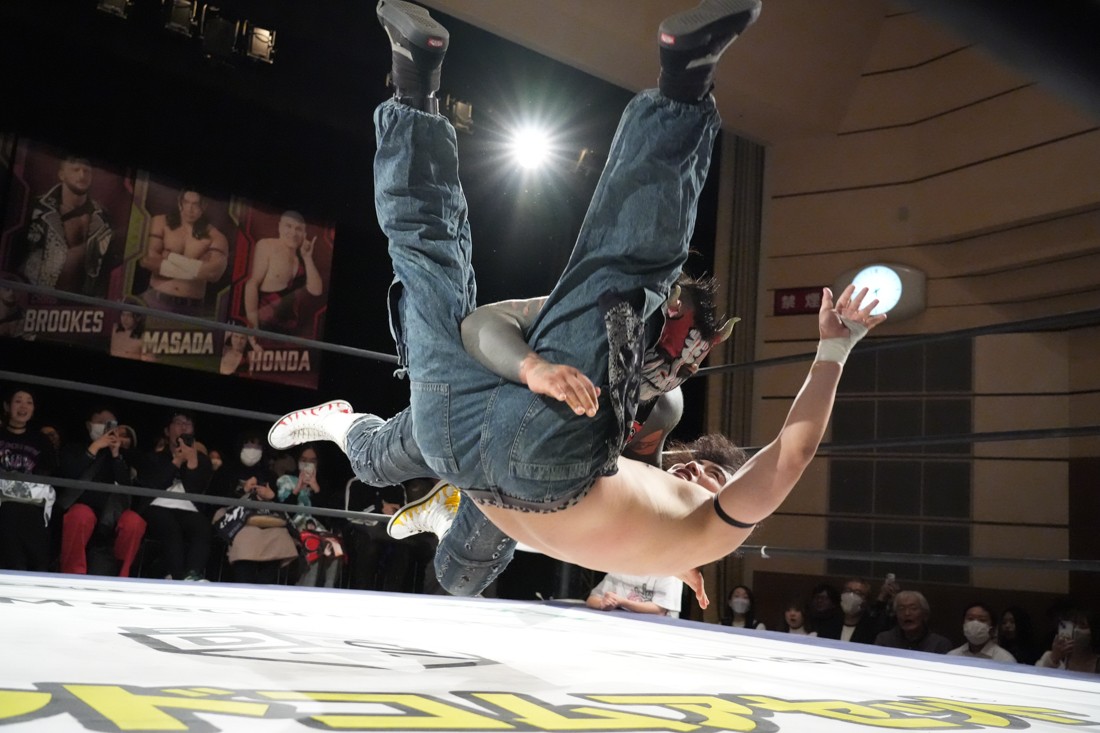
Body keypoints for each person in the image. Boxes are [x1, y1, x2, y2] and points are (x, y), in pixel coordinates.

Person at [268, 0, 885, 608]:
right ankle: (674, 79)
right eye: (703, 468)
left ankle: (414, 90)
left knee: (431, 259)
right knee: (609, 282)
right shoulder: (678, 506)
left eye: (714, 479)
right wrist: (831, 351)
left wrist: (834, 349)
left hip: (480, 444)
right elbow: (781, 454)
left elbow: (790, 457)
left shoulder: (709, 529)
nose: (699, 475)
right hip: (523, 436)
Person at [57, 406, 146, 577]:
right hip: (83, 510)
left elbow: (127, 485)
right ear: (89, 425)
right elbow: (70, 472)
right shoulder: (75, 447)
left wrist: (116, 454)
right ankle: (73, 575)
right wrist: (96, 446)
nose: (105, 426)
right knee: (80, 514)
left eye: (110, 423)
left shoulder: (123, 454)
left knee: (134, 522)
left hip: (112, 516)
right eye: (100, 422)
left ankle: (122, 578)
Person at [14, 156, 114, 296]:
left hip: (84, 301)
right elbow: (14, 252)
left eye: (87, 171)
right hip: (36, 296)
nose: (82, 175)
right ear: (61, 174)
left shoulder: (103, 216)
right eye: (75, 170)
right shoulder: (36, 208)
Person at [211, 430, 298, 584]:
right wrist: (242, 491)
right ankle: (244, 584)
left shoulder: (269, 475)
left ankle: (263, 585)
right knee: (245, 538)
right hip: (235, 518)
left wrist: (271, 497)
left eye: (257, 446)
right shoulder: (226, 470)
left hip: (264, 518)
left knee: (280, 535)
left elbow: (279, 506)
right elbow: (215, 499)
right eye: (249, 445)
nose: (253, 450)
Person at [136, 410, 214, 581]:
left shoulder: (202, 460)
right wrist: (177, 461)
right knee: (170, 527)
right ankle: (176, 577)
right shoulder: (153, 457)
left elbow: (197, 491)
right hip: (157, 505)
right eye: (178, 423)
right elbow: (154, 485)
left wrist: (192, 462)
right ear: (167, 430)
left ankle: (192, 575)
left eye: (188, 424)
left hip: (188, 507)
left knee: (202, 527)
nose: (183, 428)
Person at [138, 189, 229, 316]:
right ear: (180, 203)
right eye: (186, 202)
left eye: (195, 204)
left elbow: (213, 273)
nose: (190, 209)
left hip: (192, 308)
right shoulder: (160, 222)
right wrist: (196, 267)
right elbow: (148, 260)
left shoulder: (216, 236)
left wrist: (170, 257)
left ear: (204, 206)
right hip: (156, 300)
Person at [0, 386, 57, 570]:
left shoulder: (40, 440)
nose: (23, 406)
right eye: (18, 401)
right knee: (9, 513)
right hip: (3, 501)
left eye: (29, 402)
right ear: (7, 406)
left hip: (30, 501)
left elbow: (48, 471)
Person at [243, 210, 323, 336]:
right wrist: (253, 329)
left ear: (304, 233)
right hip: (264, 327)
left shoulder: (302, 258)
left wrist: (307, 257)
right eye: (288, 226)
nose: (293, 233)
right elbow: (252, 284)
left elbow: (316, 291)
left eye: (298, 229)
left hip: (290, 331)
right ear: (280, 227)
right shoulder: (267, 245)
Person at [873, 591, 952, 654]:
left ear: (924, 613)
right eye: (901, 609)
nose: (907, 613)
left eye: (913, 608)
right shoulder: (884, 640)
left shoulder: (939, 644)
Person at [586, 572, 683, 618]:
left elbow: (659, 610)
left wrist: (622, 602)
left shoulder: (669, 572)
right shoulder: (620, 567)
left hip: (660, 628)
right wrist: (602, 603)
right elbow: (592, 599)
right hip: (622, 625)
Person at [1035, 607, 1100, 674]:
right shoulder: (1053, 657)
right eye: (1072, 625)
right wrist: (1053, 659)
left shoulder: (1097, 664)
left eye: (1082, 625)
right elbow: (1036, 676)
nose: (1075, 629)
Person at [948, 602, 1016, 664]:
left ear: (992, 628)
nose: (975, 623)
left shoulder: (1005, 660)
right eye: (970, 618)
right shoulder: (952, 656)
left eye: (982, 620)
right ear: (963, 625)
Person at [838, 577, 894, 644]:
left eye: (858, 593)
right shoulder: (830, 622)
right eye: (848, 590)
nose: (851, 595)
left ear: (866, 600)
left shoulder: (871, 628)